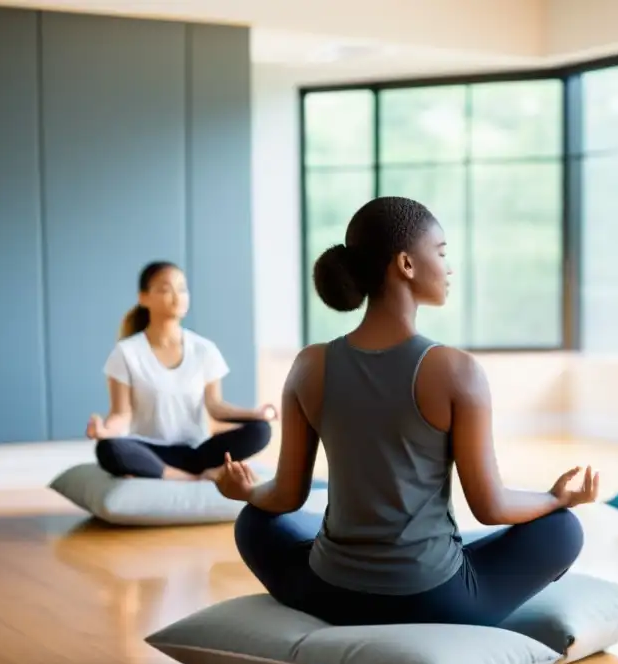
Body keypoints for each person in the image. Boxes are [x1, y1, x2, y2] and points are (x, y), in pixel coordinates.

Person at [214, 196, 598, 628]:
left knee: (254, 524)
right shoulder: (457, 371)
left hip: (327, 591)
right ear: (406, 264)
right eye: (441, 252)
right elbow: (490, 506)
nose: (448, 267)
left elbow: (285, 496)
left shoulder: (309, 365)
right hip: (434, 600)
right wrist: (554, 498)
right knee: (563, 529)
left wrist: (247, 492)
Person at [87, 261, 275, 482]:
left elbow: (215, 406)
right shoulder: (126, 352)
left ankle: (180, 471)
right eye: (165, 289)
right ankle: (191, 478)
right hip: (152, 450)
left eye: (182, 288)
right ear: (144, 298)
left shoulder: (204, 349)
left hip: (198, 450)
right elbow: (122, 414)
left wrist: (256, 414)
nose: (177, 295)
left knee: (261, 430)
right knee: (108, 448)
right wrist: (104, 431)